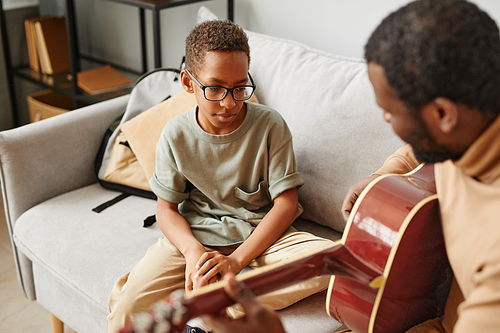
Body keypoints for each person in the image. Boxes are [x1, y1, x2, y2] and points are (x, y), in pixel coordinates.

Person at [204, 0, 500, 332]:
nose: (386, 121)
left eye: (390, 112)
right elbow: (418, 152)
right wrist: (382, 178)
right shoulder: (467, 130)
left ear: (443, 115)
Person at [106, 19, 333, 333]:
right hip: (195, 239)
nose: (229, 102)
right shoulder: (175, 135)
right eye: (215, 88)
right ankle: (220, 296)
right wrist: (192, 252)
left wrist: (236, 261)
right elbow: (166, 209)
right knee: (127, 310)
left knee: (328, 260)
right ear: (188, 83)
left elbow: (285, 205)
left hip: (260, 240)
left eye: (240, 88)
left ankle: (218, 304)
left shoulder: (270, 126)